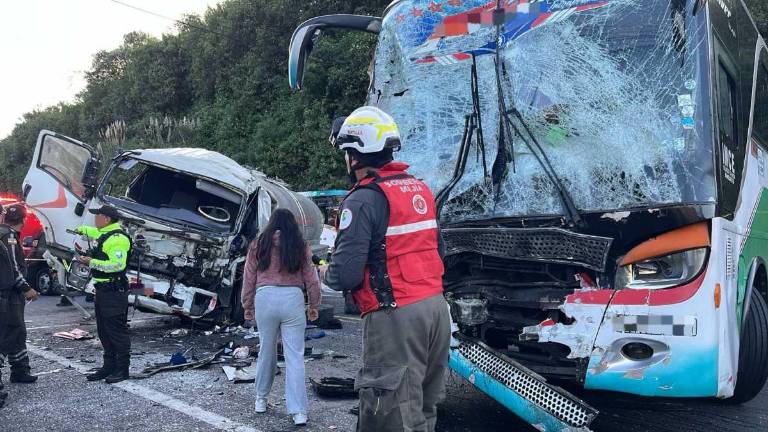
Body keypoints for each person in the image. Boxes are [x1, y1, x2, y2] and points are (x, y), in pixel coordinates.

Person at [320, 106, 451, 431]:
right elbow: (436, 249)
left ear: (355, 155)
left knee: (390, 413)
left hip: (395, 316)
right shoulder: (420, 189)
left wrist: (324, 271)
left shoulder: (362, 200)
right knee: (422, 409)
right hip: (436, 310)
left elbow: (345, 275)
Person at [241, 208, 321, 427]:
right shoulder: (300, 245)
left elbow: (249, 277)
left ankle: (260, 400)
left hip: (264, 297)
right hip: (292, 298)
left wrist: (247, 304)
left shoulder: (259, 244)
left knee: (266, 350)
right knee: (295, 356)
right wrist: (314, 304)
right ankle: (299, 412)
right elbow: (311, 278)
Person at [75, 205, 132, 384]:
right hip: (103, 291)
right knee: (104, 332)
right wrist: (79, 229)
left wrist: (92, 262)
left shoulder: (117, 239)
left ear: (106, 219)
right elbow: (93, 232)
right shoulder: (106, 234)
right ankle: (109, 367)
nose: (95, 219)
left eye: (97, 216)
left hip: (114, 292)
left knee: (116, 332)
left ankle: (122, 370)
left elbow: (118, 265)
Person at [0, 203, 40, 406]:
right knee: (10, 332)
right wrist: (27, 289)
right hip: (10, 294)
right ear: (23, 220)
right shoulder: (8, 237)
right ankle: (19, 370)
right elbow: (13, 269)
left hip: (9, 293)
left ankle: (20, 369)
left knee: (17, 332)